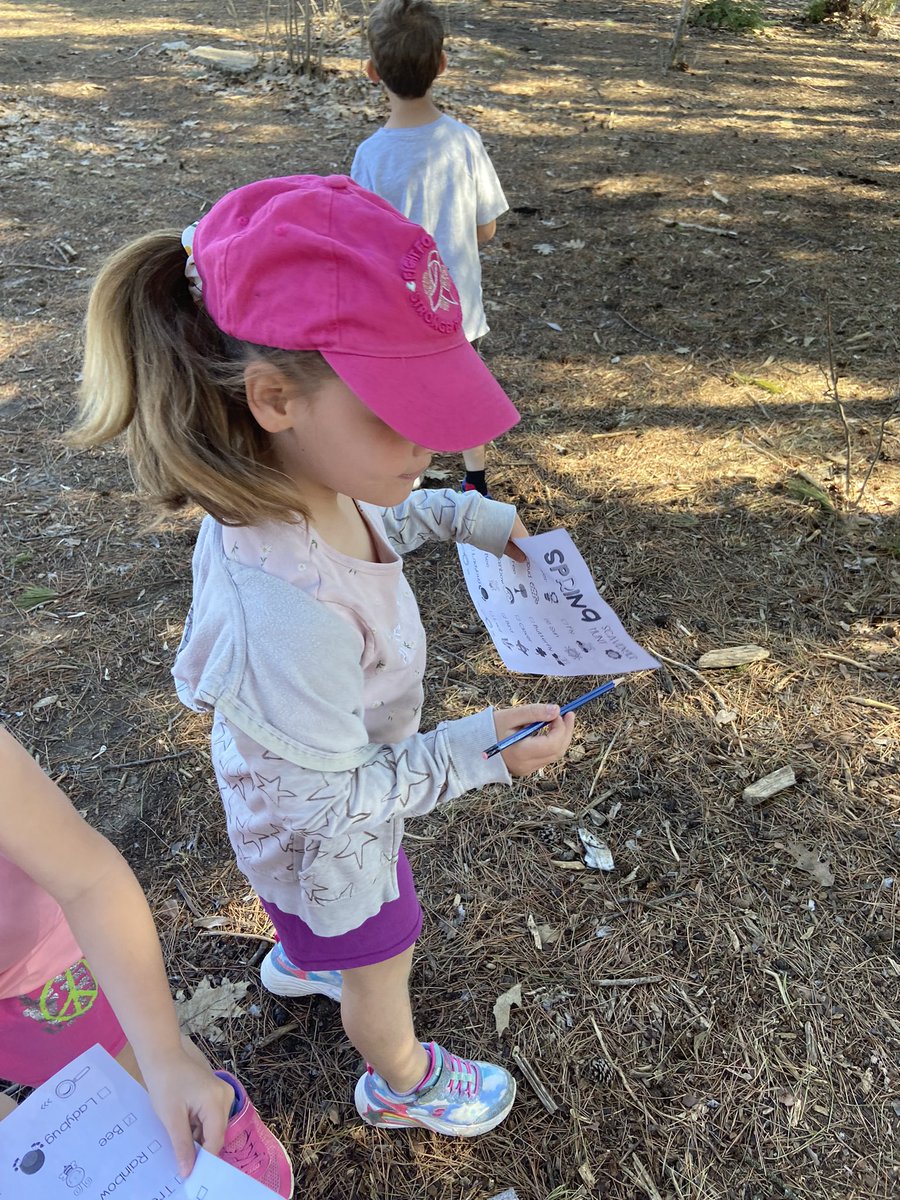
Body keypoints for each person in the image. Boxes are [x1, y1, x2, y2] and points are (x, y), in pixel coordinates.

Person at [71, 174, 575, 1137]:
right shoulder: (289, 616)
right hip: (327, 824)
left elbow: (385, 510)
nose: (429, 439)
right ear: (273, 399)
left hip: (289, 799)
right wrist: (482, 753)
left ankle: (304, 953)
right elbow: (330, 803)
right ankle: (402, 1079)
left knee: (302, 900)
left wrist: (473, 516)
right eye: (398, 411)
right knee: (385, 957)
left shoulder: (307, 478)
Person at [0, 726, 293, 1197]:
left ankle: (207, 1132)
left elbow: (89, 880)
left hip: (42, 973)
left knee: (131, 1068)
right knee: (38, 1136)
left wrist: (164, 1057)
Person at [351, 0, 508, 498]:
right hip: (456, 301)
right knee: (465, 385)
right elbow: (487, 229)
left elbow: (363, 237)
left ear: (373, 71)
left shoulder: (371, 155)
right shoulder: (464, 141)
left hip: (399, 309)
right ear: (441, 65)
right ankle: (475, 478)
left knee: (408, 391)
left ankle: (405, 479)